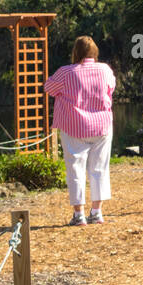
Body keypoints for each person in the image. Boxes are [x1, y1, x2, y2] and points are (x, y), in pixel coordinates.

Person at [44, 36, 116, 226]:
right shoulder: (105, 70)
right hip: (102, 125)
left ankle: (79, 215)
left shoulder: (66, 72)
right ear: (95, 52)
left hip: (73, 125)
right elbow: (111, 89)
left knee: (75, 168)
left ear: (75, 52)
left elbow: (48, 88)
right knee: (100, 168)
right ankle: (97, 212)